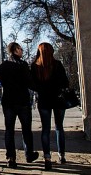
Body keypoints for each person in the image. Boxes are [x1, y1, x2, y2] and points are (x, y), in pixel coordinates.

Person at [0, 42, 39, 169]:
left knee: (9, 130)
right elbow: (29, 82)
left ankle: (11, 157)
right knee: (26, 129)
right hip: (22, 101)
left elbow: (3, 82)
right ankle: (29, 154)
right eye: (20, 49)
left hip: (9, 101)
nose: (21, 51)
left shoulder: (3, 65)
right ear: (15, 50)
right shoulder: (23, 65)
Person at [31, 42, 70, 170]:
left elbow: (32, 84)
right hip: (58, 100)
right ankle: (62, 155)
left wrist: (41, 89)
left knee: (46, 130)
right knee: (59, 127)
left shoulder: (35, 66)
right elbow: (65, 82)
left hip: (44, 101)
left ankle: (47, 158)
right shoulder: (57, 64)